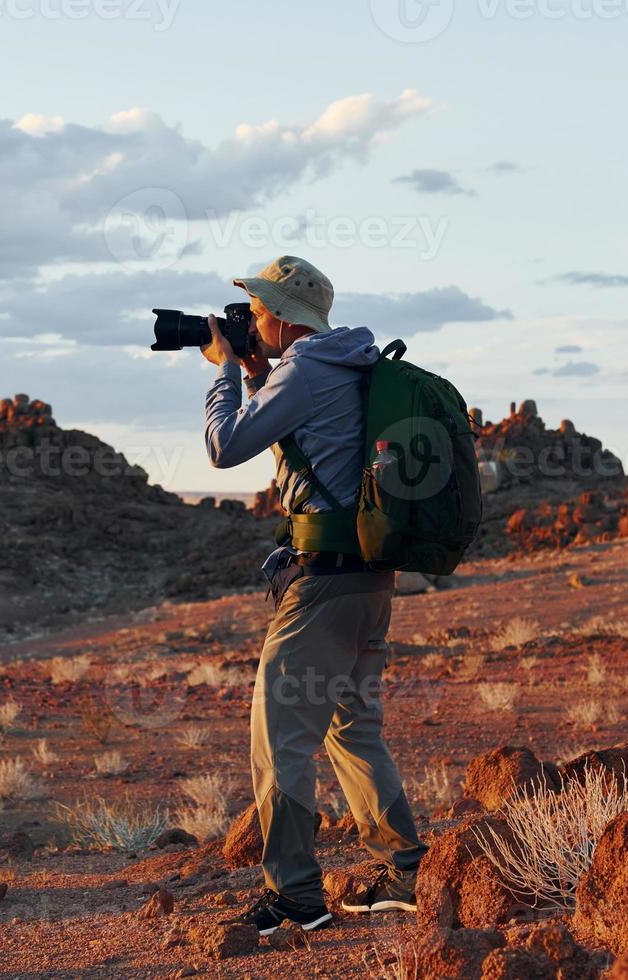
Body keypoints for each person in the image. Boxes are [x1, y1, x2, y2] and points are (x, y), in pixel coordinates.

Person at [202, 255, 428, 937]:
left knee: (280, 741)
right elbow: (310, 444)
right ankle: (405, 871)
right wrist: (253, 373)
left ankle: (295, 894)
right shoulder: (351, 363)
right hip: (370, 576)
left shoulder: (303, 369)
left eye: (258, 308)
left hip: (324, 585)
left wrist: (220, 371)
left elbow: (223, 446)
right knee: (353, 726)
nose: (251, 318)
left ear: (284, 315)